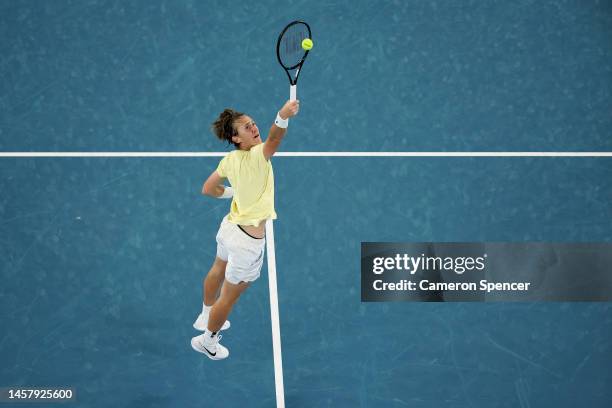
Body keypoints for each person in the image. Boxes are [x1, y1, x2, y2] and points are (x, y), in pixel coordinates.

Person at [191, 99, 300, 360]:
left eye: (253, 124)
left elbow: (208, 188)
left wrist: (233, 191)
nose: (254, 129)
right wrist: (282, 116)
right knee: (227, 299)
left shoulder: (230, 159)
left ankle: (205, 313)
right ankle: (208, 340)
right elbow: (274, 139)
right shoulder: (258, 156)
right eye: (247, 128)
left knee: (217, 268)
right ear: (236, 138)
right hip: (247, 243)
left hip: (229, 227)